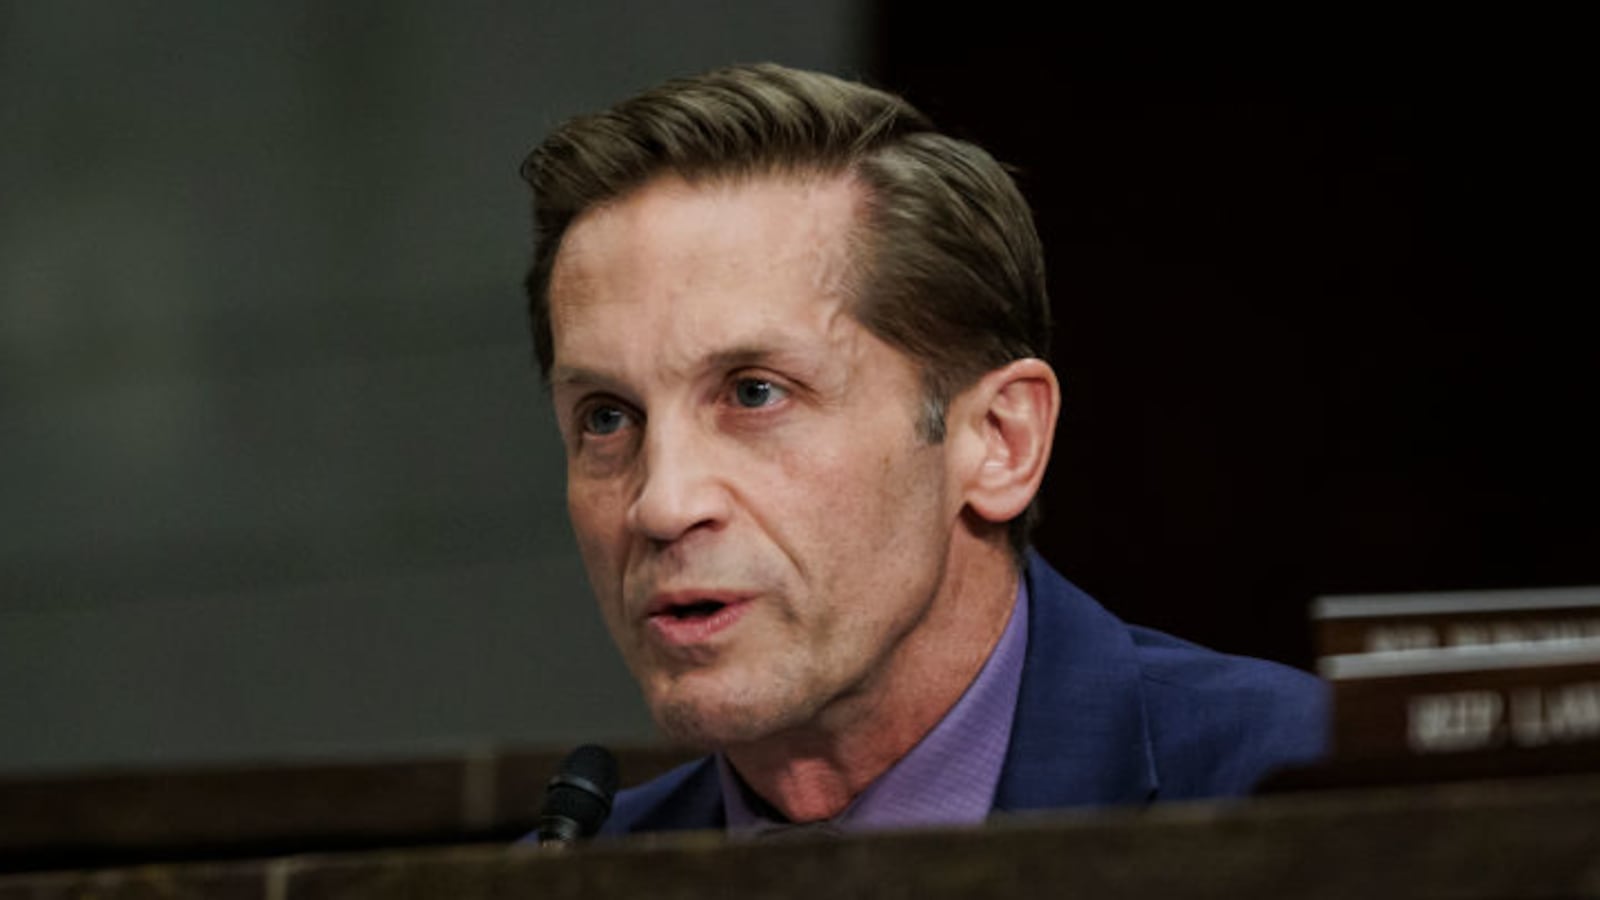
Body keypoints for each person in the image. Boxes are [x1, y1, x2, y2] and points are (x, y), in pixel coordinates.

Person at [519, 63, 1327, 837]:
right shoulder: (562, 876)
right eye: (607, 418)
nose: (661, 504)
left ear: (1000, 441)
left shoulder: (1312, 787)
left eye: (755, 392)